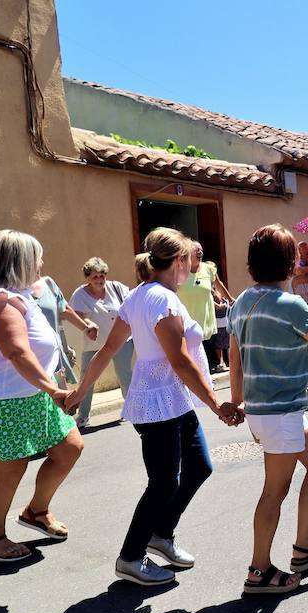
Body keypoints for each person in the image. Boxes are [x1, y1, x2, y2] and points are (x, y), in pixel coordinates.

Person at [71, 228, 238, 586]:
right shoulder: (162, 300)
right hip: (158, 402)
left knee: (199, 467)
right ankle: (130, 556)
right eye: (190, 259)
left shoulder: (139, 296)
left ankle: (161, 535)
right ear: (177, 262)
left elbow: (107, 350)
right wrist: (216, 403)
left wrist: (79, 390)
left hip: (173, 399)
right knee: (163, 483)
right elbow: (178, 360)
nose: (193, 266)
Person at [230, 225, 308, 593]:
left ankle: (304, 548)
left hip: (268, 411)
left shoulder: (241, 303)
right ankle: (259, 571)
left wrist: (237, 400)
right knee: (275, 490)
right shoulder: (291, 305)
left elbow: (236, 357)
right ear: (289, 265)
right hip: (280, 412)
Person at [0, 230, 84, 563]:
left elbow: (38, 350)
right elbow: (17, 352)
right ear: (21, 262)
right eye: (38, 257)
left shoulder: (17, 296)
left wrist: (51, 383)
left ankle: (36, 512)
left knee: (69, 448)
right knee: (10, 469)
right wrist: (55, 389)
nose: (42, 263)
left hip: (32, 394)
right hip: (4, 400)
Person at [69, 257, 133, 429]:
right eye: (95, 276)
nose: (100, 279)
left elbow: (131, 305)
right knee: (87, 379)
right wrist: (88, 324)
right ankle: (83, 416)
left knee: (124, 375)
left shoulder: (117, 288)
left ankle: (132, 409)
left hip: (121, 340)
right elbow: (75, 315)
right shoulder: (80, 294)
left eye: (102, 275)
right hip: (94, 343)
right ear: (88, 277)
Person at [29, 271, 95, 388]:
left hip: (55, 358)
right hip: (30, 361)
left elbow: (64, 310)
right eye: (38, 258)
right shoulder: (13, 290)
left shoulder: (48, 284)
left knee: (62, 400)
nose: (41, 262)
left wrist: (86, 328)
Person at [179, 242, 224, 373]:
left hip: (203, 317)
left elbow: (217, 286)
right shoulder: (180, 270)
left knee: (203, 349)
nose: (200, 252)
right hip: (187, 319)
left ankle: (204, 377)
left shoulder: (208, 269)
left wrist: (230, 299)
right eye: (197, 250)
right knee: (190, 352)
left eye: (201, 250)